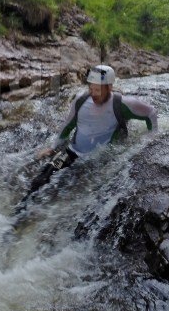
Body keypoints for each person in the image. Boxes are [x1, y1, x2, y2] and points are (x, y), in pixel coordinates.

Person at [19, 64, 157, 205]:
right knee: (41, 179)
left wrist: (151, 137)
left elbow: (150, 113)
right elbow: (68, 125)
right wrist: (54, 147)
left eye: (98, 90)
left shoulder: (123, 104)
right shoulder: (81, 100)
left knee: (75, 193)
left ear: (109, 87)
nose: (93, 93)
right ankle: (19, 214)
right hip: (71, 152)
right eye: (91, 88)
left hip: (98, 159)